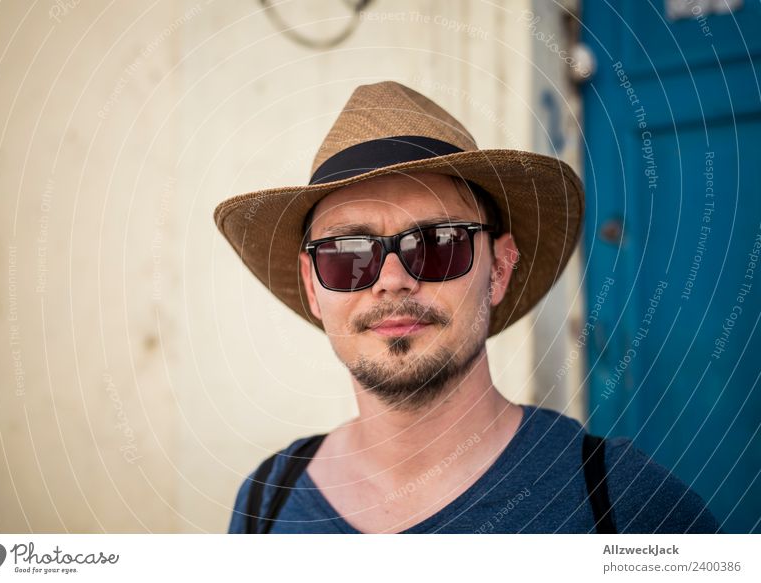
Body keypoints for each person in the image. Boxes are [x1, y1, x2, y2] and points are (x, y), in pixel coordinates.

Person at [213, 80, 720, 534]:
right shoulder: (268, 501)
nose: (392, 280)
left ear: (499, 269)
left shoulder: (625, 508)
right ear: (311, 285)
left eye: (438, 242)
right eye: (348, 254)